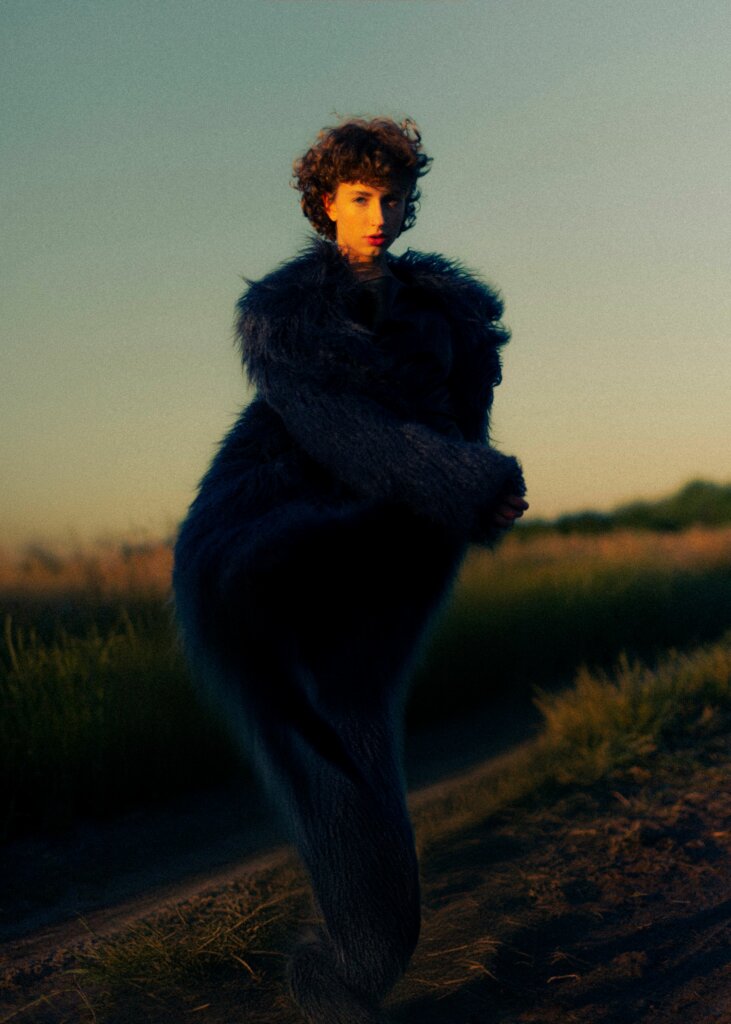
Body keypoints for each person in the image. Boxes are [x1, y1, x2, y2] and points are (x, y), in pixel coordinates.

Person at [172, 116, 527, 1024]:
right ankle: (341, 982)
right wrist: (468, 481)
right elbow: (347, 433)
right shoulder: (286, 317)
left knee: (363, 757)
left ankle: (345, 974)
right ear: (325, 204)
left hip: (385, 555)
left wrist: (472, 489)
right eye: (359, 196)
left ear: (408, 208)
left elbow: (452, 429)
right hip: (267, 557)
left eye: (392, 198)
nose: (377, 214)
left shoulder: (450, 317)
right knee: (333, 767)